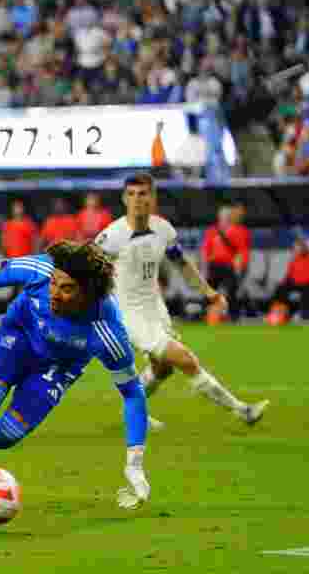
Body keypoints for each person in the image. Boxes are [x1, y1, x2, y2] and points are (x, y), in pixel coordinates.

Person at [0, 241, 153, 517]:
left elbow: (133, 393)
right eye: (53, 284)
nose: (54, 293)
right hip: (18, 338)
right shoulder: (40, 268)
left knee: (5, 436)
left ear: (89, 293)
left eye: (66, 289)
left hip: (58, 368)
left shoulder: (107, 331)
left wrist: (134, 462)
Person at [95, 174, 268, 429]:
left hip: (154, 306)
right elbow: (86, 266)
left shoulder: (163, 230)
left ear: (152, 198)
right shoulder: (112, 236)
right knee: (185, 359)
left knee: (163, 369)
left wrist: (209, 292)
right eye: (131, 194)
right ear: (123, 199)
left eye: (142, 194)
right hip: (128, 313)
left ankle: (132, 412)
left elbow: (182, 264)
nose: (137, 200)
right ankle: (243, 410)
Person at [201, 204, 250, 321]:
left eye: (227, 215)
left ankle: (233, 316)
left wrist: (240, 267)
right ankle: (205, 314)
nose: (225, 218)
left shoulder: (238, 230)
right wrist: (204, 268)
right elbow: (205, 251)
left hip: (229, 266)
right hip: (214, 265)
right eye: (223, 215)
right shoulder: (211, 231)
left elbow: (241, 251)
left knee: (232, 291)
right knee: (209, 291)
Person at [270, 236, 309, 320]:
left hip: (308, 285)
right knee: (280, 289)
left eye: (298, 248)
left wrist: (303, 282)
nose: (296, 250)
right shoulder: (294, 261)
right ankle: (280, 312)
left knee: (307, 292)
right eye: (295, 248)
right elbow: (289, 275)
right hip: (295, 284)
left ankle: (305, 316)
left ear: (304, 248)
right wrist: (284, 282)